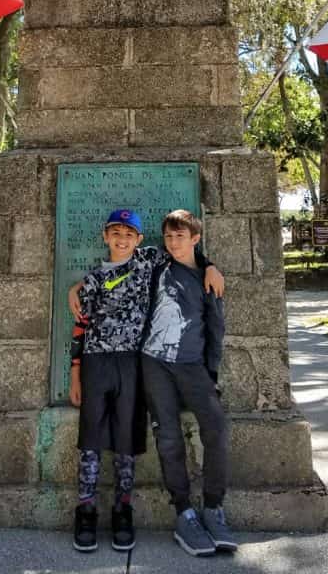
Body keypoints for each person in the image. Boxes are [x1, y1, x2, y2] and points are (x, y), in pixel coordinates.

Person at [68, 208, 223, 553]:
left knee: (127, 434)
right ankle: (86, 509)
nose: (121, 240)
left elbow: (185, 251)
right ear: (105, 237)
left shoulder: (148, 260)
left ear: (138, 240)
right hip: (95, 360)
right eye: (115, 234)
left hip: (133, 363)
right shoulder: (93, 278)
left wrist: (210, 265)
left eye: (129, 235)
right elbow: (80, 325)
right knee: (90, 436)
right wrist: (75, 371)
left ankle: (124, 508)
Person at [141, 209, 237, 557]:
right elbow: (119, 262)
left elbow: (216, 328)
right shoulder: (156, 264)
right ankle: (183, 511)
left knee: (216, 428)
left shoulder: (208, 279)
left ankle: (213, 507)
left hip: (193, 365)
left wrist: (211, 373)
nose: (172, 242)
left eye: (180, 236)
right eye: (168, 236)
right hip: (154, 365)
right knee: (167, 437)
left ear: (195, 238)